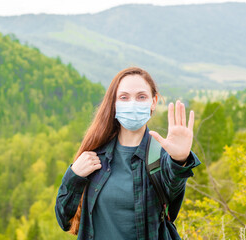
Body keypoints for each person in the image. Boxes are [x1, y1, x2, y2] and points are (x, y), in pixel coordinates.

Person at [54, 67, 202, 240]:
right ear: (114, 103)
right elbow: (64, 219)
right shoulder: (94, 157)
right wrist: (74, 176)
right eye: (124, 97)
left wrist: (179, 159)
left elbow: (173, 190)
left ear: (153, 102)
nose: (132, 104)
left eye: (141, 97)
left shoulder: (160, 157)